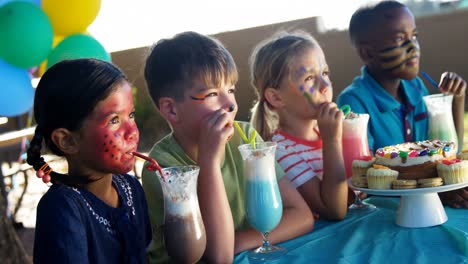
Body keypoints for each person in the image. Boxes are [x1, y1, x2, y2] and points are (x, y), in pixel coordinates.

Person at [142, 31, 313, 263]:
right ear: (172, 109)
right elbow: (219, 256)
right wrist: (209, 162)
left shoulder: (246, 138)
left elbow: (302, 216)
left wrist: (238, 241)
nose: (230, 104)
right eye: (212, 94)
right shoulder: (163, 169)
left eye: (230, 90)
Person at [337, 1, 468, 208]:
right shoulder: (354, 102)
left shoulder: (415, 87)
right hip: (384, 210)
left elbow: (446, 153)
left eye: (414, 36)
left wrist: (457, 99)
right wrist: (432, 192)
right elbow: (368, 180)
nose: (413, 47)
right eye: (400, 38)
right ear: (367, 53)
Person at [27, 58, 152, 263]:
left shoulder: (131, 188)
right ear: (67, 140)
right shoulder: (62, 209)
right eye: (114, 120)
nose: (132, 132)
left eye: (131, 115)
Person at [249, 30, 350, 221]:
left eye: (325, 73)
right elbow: (335, 209)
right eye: (309, 78)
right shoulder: (279, 151)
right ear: (276, 97)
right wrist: (332, 141)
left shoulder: (329, 132)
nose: (324, 85)